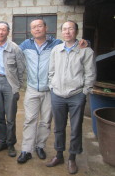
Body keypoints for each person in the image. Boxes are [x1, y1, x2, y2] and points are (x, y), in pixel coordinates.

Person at [17, 18, 88, 164]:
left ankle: (40, 146)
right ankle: (26, 150)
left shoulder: (56, 44)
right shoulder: (25, 45)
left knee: (46, 121)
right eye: (34, 27)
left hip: (50, 90)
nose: (37, 29)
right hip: (31, 89)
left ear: (46, 28)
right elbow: (12, 50)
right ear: (31, 31)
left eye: (40, 26)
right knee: (30, 120)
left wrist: (86, 42)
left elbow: (72, 44)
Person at [46, 20, 96, 174]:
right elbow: (51, 71)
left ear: (76, 31)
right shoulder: (56, 50)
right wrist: (52, 86)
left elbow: (90, 73)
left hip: (76, 95)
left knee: (75, 128)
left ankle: (72, 158)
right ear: (61, 32)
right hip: (57, 94)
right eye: (65, 29)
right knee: (58, 127)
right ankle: (59, 154)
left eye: (71, 29)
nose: (67, 32)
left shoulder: (85, 51)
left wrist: (84, 92)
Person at [0, 21, 25, 158]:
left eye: (3, 30)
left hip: (9, 82)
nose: (0, 32)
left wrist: (17, 87)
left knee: (11, 117)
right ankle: (1, 141)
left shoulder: (15, 48)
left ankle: (11, 143)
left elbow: (21, 69)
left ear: (8, 32)